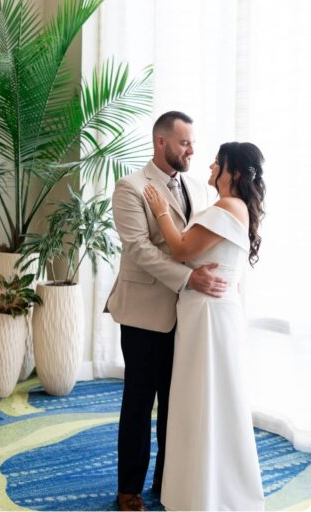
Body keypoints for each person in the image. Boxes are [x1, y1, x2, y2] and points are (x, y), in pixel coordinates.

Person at [104, 111, 227, 511]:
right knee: (139, 403)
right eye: (184, 143)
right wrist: (190, 278)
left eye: (192, 142)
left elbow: (192, 243)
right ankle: (128, 490)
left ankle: (168, 480)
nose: (192, 150)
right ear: (162, 143)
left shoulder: (195, 186)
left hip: (188, 315)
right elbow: (138, 250)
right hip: (144, 313)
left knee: (177, 402)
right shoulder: (130, 187)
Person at [143, 141, 266, 511]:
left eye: (219, 162)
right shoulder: (233, 207)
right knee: (208, 398)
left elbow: (181, 249)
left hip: (210, 315)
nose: (211, 165)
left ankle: (206, 492)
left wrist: (161, 211)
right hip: (210, 313)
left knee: (203, 398)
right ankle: (205, 486)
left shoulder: (228, 207)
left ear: (236, 173)